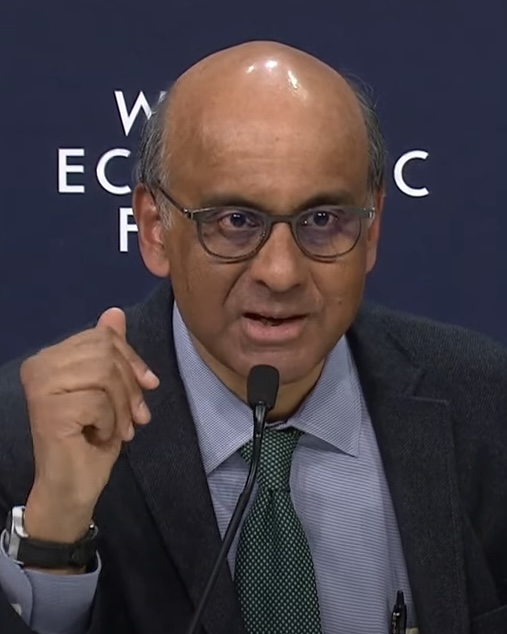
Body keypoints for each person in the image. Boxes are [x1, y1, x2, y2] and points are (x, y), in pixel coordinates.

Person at [0, 40, 506, 634]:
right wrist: (55, 534)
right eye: (236, 221)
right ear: (156, 229)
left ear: (370, 230)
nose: (281, 273)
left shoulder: (486, 405)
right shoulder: (24, 437)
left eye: (322, 220)